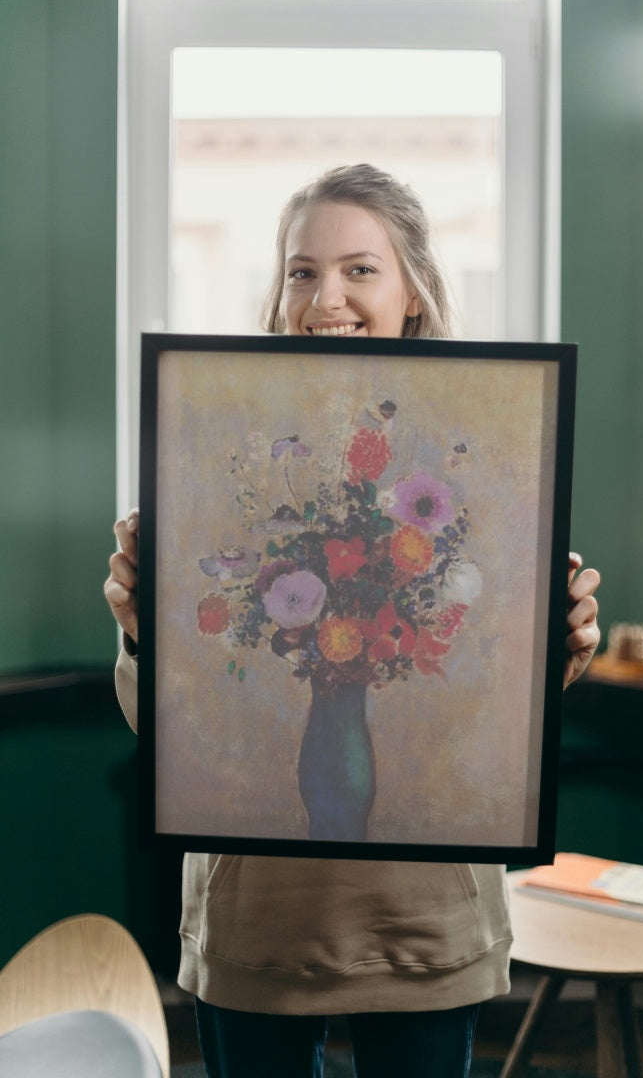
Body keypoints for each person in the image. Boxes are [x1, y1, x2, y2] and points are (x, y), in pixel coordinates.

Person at [105, 164, 601, 1078]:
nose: (324, 296)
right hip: (258, 920)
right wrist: (143, 633)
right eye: (301, 270)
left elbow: (499, 710)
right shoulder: (216, 455)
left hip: (423, 921)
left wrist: (558, 647)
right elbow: (167, 728)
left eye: (358, 269)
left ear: (412, 289)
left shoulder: (488, 455)